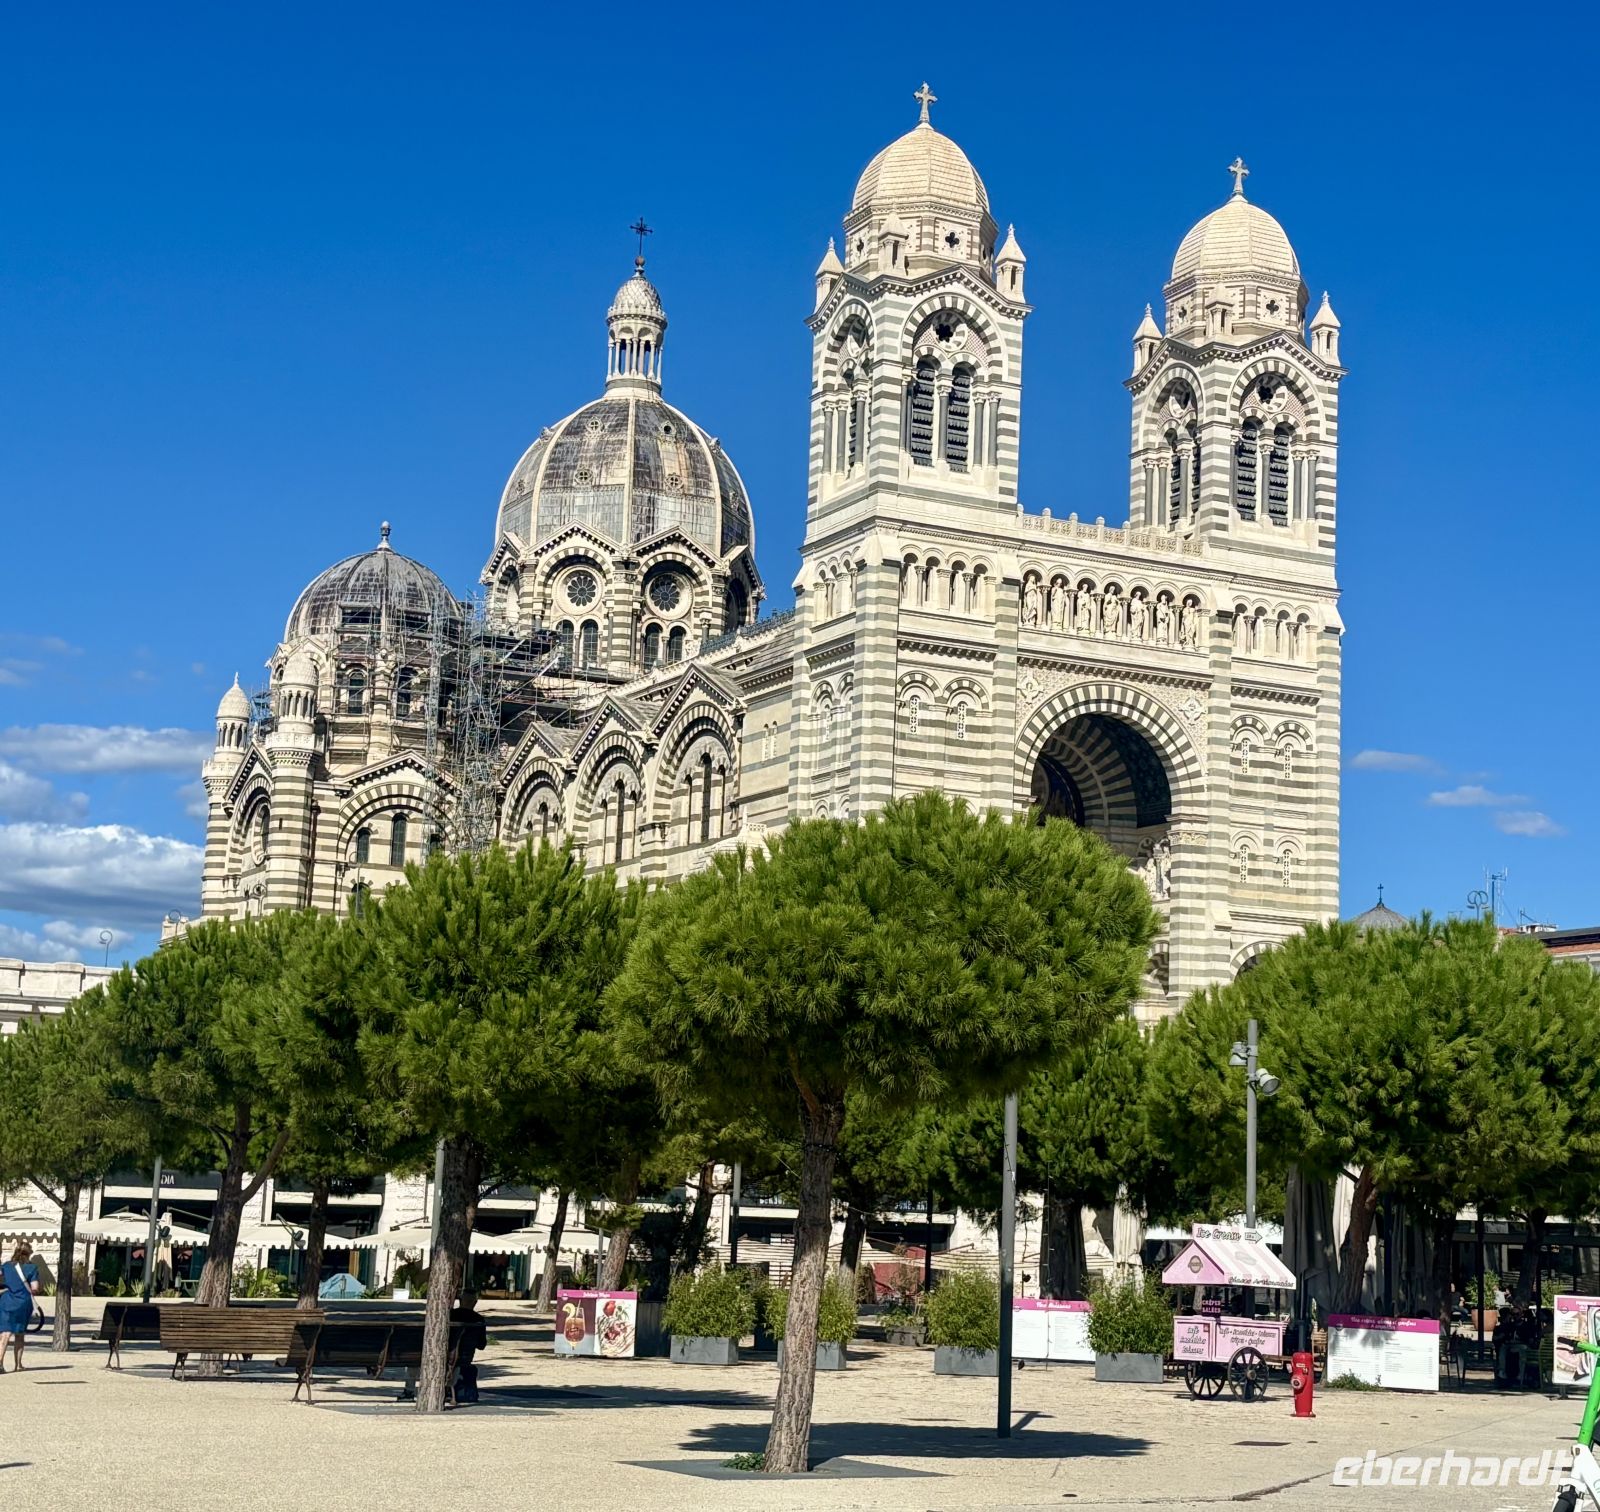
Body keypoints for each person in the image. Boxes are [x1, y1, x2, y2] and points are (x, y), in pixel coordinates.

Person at [0, 1242, 40, 1372]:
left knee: (5, 1334)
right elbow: (35, 1288)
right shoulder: (32, 1268)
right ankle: (18, 1365)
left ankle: (0, 1363)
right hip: (23, 1303)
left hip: (7, 1302)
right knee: (19, 1334)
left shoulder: (6, 1266)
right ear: (28, 1254)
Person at [453, 1292, 487, 1405]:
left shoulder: (450, 1315)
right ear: (475, 1303)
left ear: (460, 1301)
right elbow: (481, 1345)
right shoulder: (479, 1319)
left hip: (447, 1355)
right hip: (466, 1358)